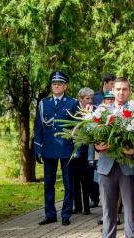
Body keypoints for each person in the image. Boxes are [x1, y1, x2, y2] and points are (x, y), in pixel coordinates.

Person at [92, 77, 134, 238]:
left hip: (129, 165)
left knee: (130, 207)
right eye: (118, 89)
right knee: (107, 207)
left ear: (130, 91)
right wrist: (97, 146)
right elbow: (92, 135)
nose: (121, 92)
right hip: (107, 165)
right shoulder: (103, 111)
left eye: (124, 89)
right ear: (112, 91)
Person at [34, 71, 79, 226]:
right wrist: (38, 148)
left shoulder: (72, 103)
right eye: (54, 83)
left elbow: (78, 127)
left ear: (65, 86)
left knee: (68, 183)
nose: (57, 86)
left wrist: (77, 149)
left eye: (59, 83)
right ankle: (50, 214)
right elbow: (38, 127)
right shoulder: (43, 103)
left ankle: (66, 214)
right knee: (48, 183)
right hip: (49, 148)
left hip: (67, 148)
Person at [71, 87, 95, 215]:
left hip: (87, 151)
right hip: (74, 150)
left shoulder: (93, 111)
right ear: (80, 99)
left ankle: (86, 206)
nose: (89, 101)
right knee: (75, 180)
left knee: (86, 180)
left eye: (91, 98)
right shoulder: (74, 111)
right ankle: (77, 205)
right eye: (87, 99)